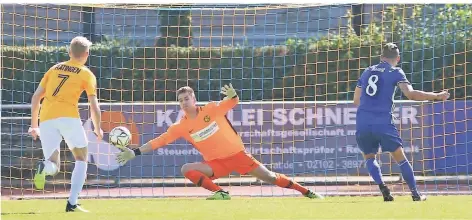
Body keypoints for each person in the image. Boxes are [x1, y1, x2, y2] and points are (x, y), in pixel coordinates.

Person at [116, 84, 324, 200]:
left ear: (194, 99)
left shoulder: (211, 109)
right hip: (217, 163)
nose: (183, 102)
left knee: (269, 177)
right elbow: (158, 141)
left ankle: (306, 191)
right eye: (180, 100)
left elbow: (232, 102)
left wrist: (234, 95)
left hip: (239, 156)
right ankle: (220, 193)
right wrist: (134, 152)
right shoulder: (180, 126)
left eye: (186, 98)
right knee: (187, 168)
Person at [353, 43, 450, 202]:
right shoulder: (395, 71)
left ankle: (383, 187)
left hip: (363, 120)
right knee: (400, 158)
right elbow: (411, 94)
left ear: (381, 56)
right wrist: (437, 96)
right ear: (397, 58)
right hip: (382, 121)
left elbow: (356, 100)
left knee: (369, 157)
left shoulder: (367, 71)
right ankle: (415, 194)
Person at [29, 36, 103, 212]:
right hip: (69, 117)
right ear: (87, 54)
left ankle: (44, 167)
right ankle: (72, 203)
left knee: (53, 166)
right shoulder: (86, 74)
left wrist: (34, 125)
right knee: (81, 158)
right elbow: (94, 105)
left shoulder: (53, 69)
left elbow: (35, 97)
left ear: (69, 52)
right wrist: (97, 127)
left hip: (46, 119)